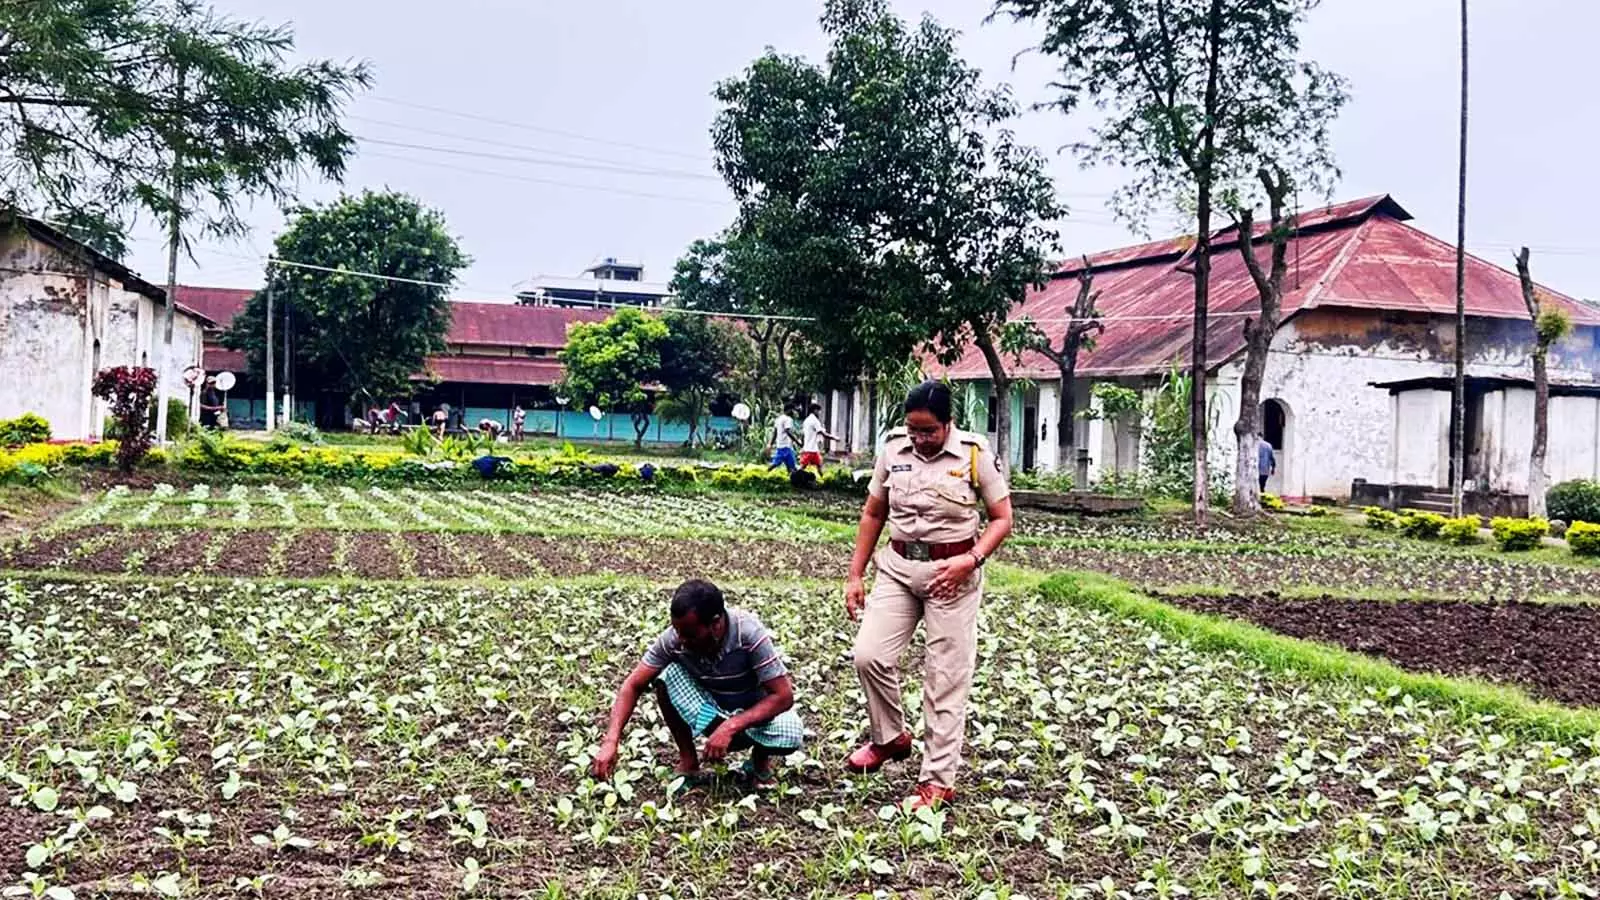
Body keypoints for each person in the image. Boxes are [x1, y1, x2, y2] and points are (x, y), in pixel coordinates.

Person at [843, 380, 1013, 811]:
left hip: (952, 575)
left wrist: (970, 561)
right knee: (869, 654)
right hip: (899, 568)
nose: (920, 439)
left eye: (929, 431)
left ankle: (937, 783)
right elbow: (874, 512)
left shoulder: (974, 454)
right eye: (914, 430)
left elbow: (1001, 518)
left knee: (944, 680)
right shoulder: (893, 451)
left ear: (948, 424)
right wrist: (855, 574)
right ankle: (890, 738)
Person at [591, 579, 802, 790]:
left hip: (755, 718)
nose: (681, 640)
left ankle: (759, 761)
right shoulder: (674, 639)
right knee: (666, 676)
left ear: (716, 623)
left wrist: (730, 727)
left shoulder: (748, 633)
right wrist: (611, 741)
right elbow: (633, 685)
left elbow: (783, 696)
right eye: (677, 631)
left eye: (689, 634)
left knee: (791, 733)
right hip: (711, 712)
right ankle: (689, 762)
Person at [799, 403, 839, 472]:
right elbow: (823, 434)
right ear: (815, 410)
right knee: (804, 467)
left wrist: (802, 445)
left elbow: (803, 434)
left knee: (818, 465)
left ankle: (823, 480)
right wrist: (834, 438)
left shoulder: (806, 420)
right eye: (818, 411)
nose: (819, 413)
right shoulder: (815, 420)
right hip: (811, 449)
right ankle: (795, 478)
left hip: (811, 448)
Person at [766, 406, 800, 473]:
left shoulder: (778, 419)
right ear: (789, 410)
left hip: (780, 445)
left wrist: (770, 444)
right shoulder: (788, 419)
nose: (794, 412)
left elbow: (775, 433)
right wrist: (797, 442)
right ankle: (765, 473)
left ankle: (765, 474)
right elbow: (788, 432)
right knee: (791, 467)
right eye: (793, 410)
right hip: (786, 446)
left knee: (787, 466)